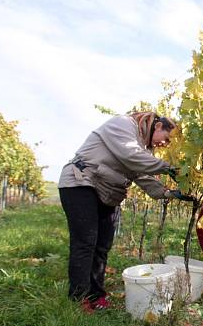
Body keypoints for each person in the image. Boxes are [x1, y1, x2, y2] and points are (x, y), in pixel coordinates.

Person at [58, 112, 187, 312]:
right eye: (167, 139)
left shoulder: (141, 148)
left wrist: (171, 194)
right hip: (80, 182)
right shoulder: (123, 125)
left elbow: (144, 177)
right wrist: (169, 168)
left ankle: (96, 295)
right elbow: (131, 156)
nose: (166, 144)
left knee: (102, 246)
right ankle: (78, 299)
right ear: (158, 126)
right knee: (86, 242)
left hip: (106, 192)